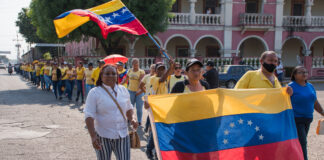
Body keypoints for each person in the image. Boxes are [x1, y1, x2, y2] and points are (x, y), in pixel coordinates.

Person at [84, 64, 138, 160]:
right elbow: (89, 115)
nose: (111, 76)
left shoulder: (123, 90)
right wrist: (93, 136)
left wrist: (132, 118)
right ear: (101, 76)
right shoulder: (95, 92)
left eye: (113, 74)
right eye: (107, 74)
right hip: (102, 136)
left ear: (117, 76)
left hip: (122, 135)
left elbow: (129, 108)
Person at [288, 66, 324, 160]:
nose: (304, 74)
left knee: (300, 141)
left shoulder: (310, 86)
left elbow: (314, 101)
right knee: (302, 142)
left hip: (308, 118)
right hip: (296, 119)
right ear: (295, 75)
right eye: (301, 72)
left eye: (306, 72)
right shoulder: (290, 87)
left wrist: (322, 112)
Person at [143, 60, 175, 160]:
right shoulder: (153, 79)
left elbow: (170, 72)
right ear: (155, 71)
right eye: (159, 69)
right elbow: (163, 78)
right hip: (155, 108)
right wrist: (170, 67)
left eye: (163, 69)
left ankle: (153, 150)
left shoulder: (166, 77)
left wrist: (171, 63)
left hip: (164, 107)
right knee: (157, 129)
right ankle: (152, 150)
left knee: (159, 129)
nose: (161, 71)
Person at [125, 58, 145, 125]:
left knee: (139, 107)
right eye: (133, 63)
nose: (135, 64)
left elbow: (141, 81)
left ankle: (139, 121)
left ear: (138, 63)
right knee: (130, 107)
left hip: (139, 92)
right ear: (132, 64)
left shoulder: (141, 71)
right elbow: (126, 79)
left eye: (136, 63)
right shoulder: (129, 70)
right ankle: (129, 119)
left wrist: (139, 90)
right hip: (130, 91)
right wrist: (120, 84)